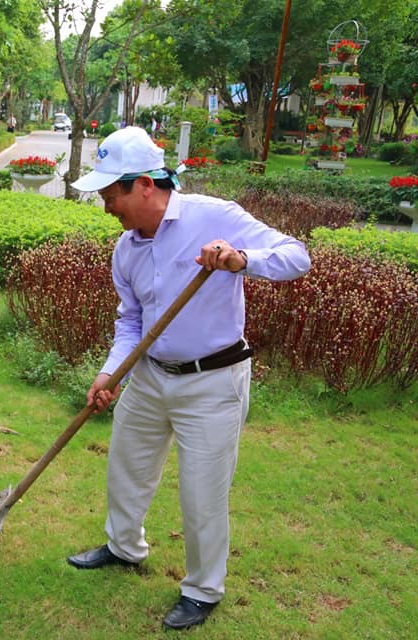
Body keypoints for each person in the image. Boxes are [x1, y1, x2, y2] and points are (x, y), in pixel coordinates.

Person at [66, 127, 310, 630]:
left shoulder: (214, 217)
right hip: (151, 377)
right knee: (126, 467)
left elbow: (296, 256)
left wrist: (241, 260)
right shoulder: (126, 250)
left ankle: (202, 590)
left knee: (202, 491)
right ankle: (123, 547)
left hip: (213, 381)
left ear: (145, 186)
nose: (106, 207)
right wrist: (111, 371)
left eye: (111, 195)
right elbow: (131, 322)